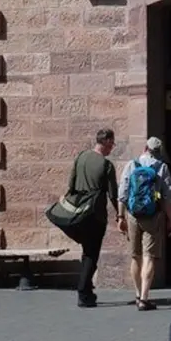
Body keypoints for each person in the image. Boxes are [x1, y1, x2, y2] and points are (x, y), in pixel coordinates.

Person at [118, 137, 171, 311]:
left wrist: (120, 216)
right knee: (149, 256)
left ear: (145, 148)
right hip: (154, 216)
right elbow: (167, 197)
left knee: (135, 256)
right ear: (159, 151)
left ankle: (137, 294)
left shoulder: (131, 165)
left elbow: (123, 192)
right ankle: (144, 297)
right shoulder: (162, 168)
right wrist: (170, 219)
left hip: (133, 215)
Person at [67, 128, 120, 308]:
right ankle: (83, 292)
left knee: (86, 250)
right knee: (91, 253)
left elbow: (71, 184)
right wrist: (120, 215)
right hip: (95, 215)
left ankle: (87, 288)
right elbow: (114, 194)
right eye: (112, 143)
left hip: (78, 212)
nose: (112, 147)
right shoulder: (106, 166)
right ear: (105, 142)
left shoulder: (81, 157)